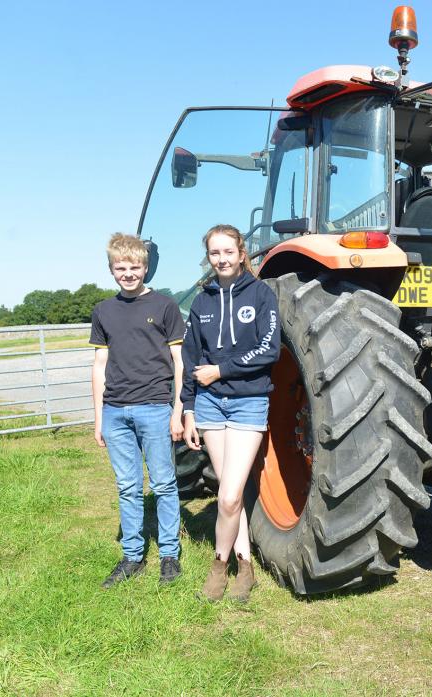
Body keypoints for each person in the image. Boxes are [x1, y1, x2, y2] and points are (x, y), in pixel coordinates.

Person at [181, 224, 280, 603]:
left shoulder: (261, 294)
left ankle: (218, 565)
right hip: (208, 404)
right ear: (209, 258)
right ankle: (246, 563)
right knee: (229, 494)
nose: (221, 259)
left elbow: (269, 349)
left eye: (228, 252)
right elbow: (192, 358)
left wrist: (223, 370)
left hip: (247, 401)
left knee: (228, 497)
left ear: (242, 254)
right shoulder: (203, 301)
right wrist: (188, 408)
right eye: (214, 253)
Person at [91, 233, 185, 588]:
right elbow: (100, 364)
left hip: (155, 407)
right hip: (115, 412)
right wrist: (99, 417)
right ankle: (132, 556)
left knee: (163, 483)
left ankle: (169, 555)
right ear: (112, 269)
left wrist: (177, 410)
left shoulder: (165, 307)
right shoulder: (103, 311)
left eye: (135, 267)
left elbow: (179, 361)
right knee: (127, 486)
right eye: (121, 268)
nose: (128, 273)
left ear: (146, 267)